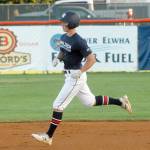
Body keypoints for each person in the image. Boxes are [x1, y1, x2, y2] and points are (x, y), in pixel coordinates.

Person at [32, 11, 132, 145]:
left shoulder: (80, 41)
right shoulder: (64, 36)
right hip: (70, 76)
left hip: (75, 77)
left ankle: (49, 136)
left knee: (57, 105)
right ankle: (120, 102)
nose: (62, 23)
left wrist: (80, 71)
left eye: (64, 22)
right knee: (89, 102)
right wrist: (58, 58)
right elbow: (63, 51)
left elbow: (92, 59)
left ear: (70, 23)